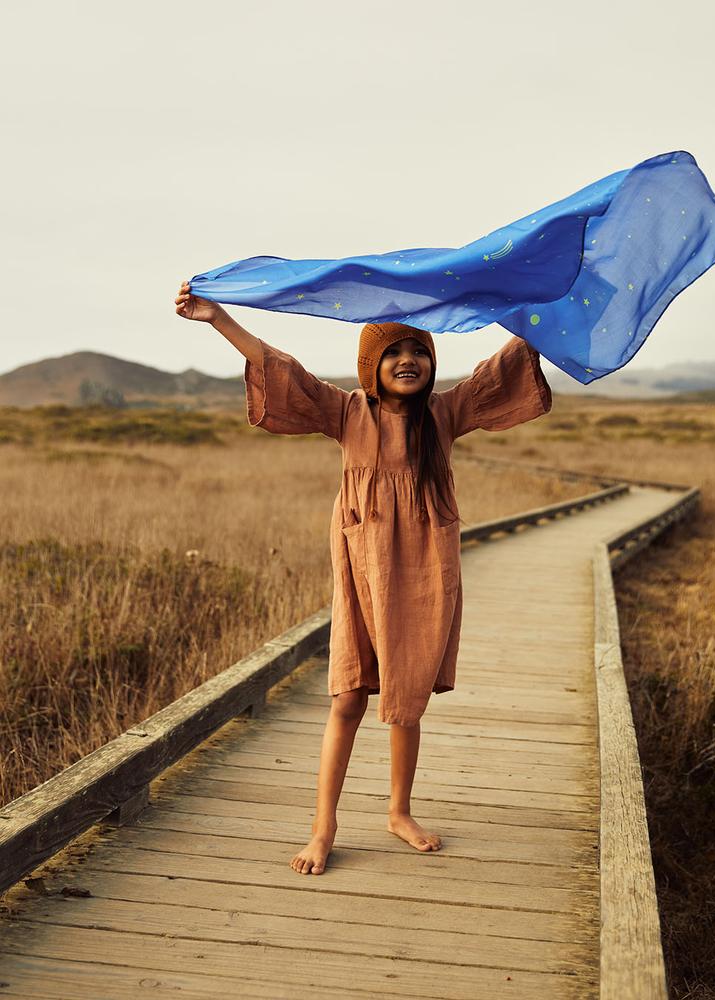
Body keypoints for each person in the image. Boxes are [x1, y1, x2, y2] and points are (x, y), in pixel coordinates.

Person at [174, 279, 553, 875]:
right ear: (369, 366)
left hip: (426, 563)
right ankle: (323, 826)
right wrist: (219, 318)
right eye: (394, 353)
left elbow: (503, 367)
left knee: (409, 693)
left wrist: (547, 295)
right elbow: (282, 369)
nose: (408, 361)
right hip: (362, 562)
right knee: (349, 694)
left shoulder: (443, 415)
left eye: (419, 352)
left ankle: (399, 811)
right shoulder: (348, 412)